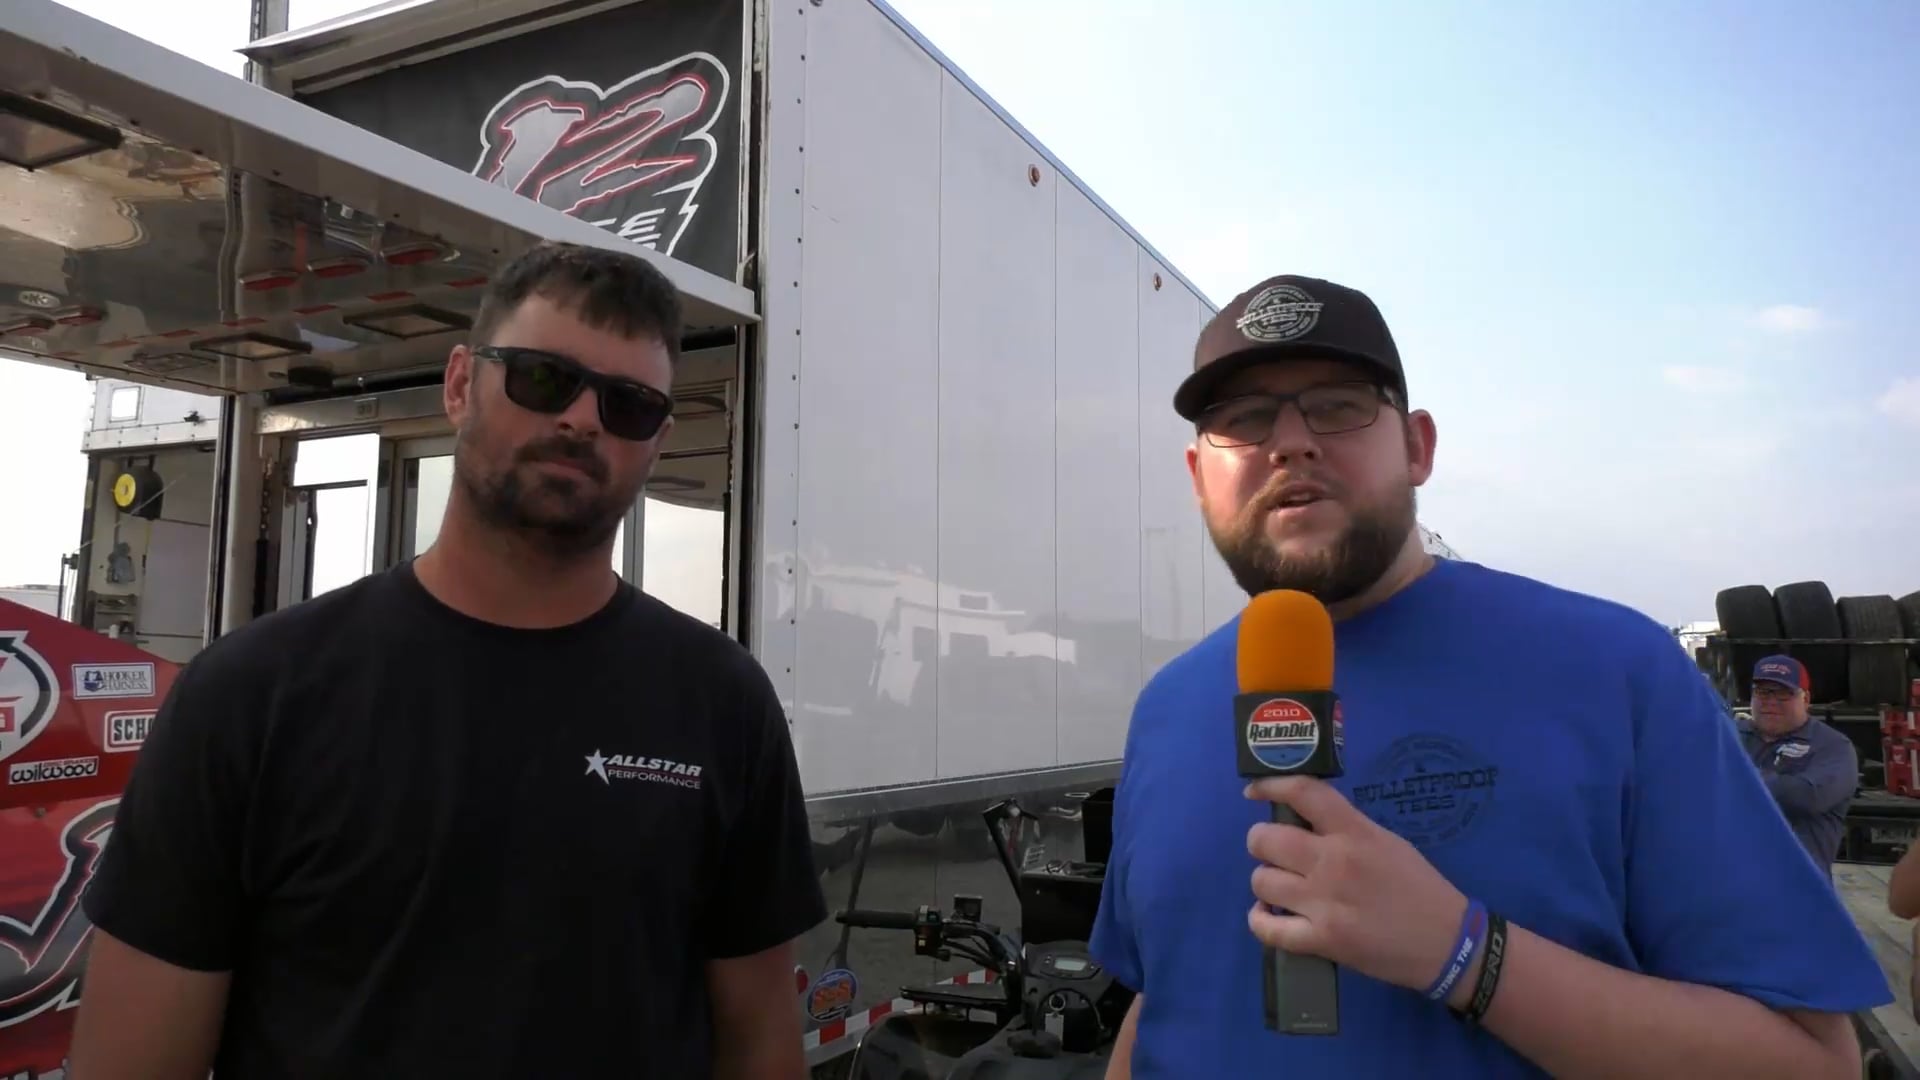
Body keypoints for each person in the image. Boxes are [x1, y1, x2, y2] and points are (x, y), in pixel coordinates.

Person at [1089, 274, 1890, 1078]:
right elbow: (1163, 1002)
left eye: (1337, 405)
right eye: (1243, 419)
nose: (1289, 441)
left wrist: (1462, 953)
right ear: (1199, 476)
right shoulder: (1166, 710)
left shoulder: (1615, 671)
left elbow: (1814, 1063)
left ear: (1417, 448)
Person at [68, 242, 824, 1079]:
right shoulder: (254, 695)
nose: (580, 420)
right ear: (461, 384)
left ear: (656, 441)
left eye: (629, 405)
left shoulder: (720, 702)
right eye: (544, 378)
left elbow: (758, 1039)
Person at [1738, 654, 1859, 874]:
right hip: (1726, 886)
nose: (1771, 701)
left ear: (1806, 699)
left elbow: (1807, 796)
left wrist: (1732, 776)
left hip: (1795, 889)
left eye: (1783, 693)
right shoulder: (1730, 735)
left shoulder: (1832, 746)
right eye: (1762, 692)